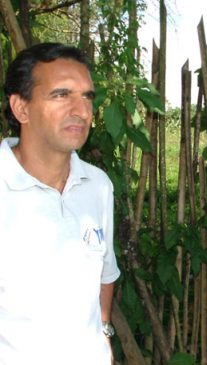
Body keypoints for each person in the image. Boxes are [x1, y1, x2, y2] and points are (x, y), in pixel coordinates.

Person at [0, 43, 120, 365]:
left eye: (87, 97)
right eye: (61, 95)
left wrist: (103, 334)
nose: (81, 110)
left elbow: (105, 275)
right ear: (20, 108)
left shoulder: (97, 187)